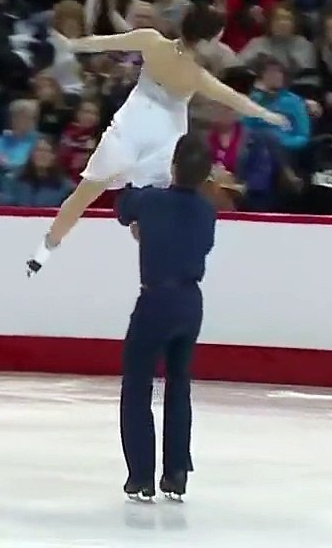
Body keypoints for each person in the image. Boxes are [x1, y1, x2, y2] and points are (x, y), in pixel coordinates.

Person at [27, 4, 288, 275]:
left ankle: (43, 251)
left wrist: (72, 45)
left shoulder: (151, 41)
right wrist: (269, 115)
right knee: (157, 207)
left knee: (84, 195)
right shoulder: (196, 76)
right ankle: (162, 264)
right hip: (159, 146)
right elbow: (236, 100)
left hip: (131, 130)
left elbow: (103, 42)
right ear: (208, 39)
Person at [114, 133, 216, 501]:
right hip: (191, 302)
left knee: (138, 385)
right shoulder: (207, 210)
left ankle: (140, 474)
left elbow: (123, 205)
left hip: (157, 300)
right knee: (179, 386)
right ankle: (175, 472)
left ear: (173, 167)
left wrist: (142, 178)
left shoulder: (154, 200)